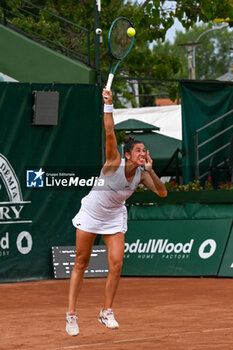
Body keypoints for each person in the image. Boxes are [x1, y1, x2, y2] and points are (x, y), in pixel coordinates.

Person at [65, 88, 167, 336]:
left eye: (145, 151)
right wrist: (108, 105)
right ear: (128, 154)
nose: (143, 154)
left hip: (113, 216)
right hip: (91, 212)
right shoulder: (113, 162)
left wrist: (152, 170)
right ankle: (71, 315)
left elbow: (162, 193)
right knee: (81, 262)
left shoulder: (142, 175)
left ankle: (106, 311)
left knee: (117, 263)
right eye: (139, 151)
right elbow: (110, 131)